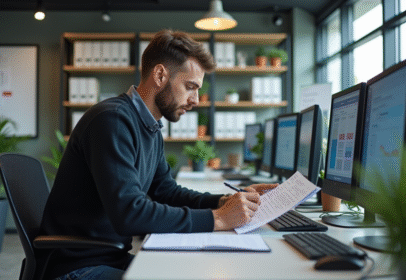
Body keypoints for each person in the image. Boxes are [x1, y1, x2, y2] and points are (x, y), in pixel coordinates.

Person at [40, 29, 278, 280]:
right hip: (76, 268)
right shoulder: (111, 121)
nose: (195, 99)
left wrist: (226, 202)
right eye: (190, 87)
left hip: (109, 258)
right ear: (160, 75)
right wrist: (217, 219)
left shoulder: (150, 128)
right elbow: (130, 213)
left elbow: (167, 193)